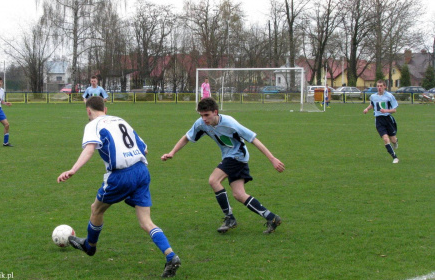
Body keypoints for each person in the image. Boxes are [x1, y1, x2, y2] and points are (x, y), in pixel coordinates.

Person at [57, 96, 181, 277]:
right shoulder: (120, 120)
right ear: (105, 109)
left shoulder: (93, 125)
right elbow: (144, 148)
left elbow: (90, 149)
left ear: (88, 111)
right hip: (142, 171)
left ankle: (89, 246)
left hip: (120, 176)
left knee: (96, 209)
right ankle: (171, 256)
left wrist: (73, 169)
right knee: (146, 222)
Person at [161, 97, 285, 234]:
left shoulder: (230, 123)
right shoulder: (201, 124)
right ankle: (272, 217)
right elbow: (187, 137)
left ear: (215, 112)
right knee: (239, 194)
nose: (204, 119)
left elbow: (253, 139)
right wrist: (172, 152)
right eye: (201, 115)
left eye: (207, 115)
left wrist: (272, 159)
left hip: (237, 157)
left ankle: (230, 218)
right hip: (231, 158)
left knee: (213, 180)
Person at [363, 80, 399, 163]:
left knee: (393, 140)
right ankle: (395, 157)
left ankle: (395, 142)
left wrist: (386, 111)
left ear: (384, 87)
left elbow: (394, 110)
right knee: (386, 139)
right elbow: (373, 104)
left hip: (388, 119)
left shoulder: (389, 96)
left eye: (381, 86)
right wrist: (367, 109)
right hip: (379, 120)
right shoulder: (373, 96)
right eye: (378, 86)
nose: (379, 88)